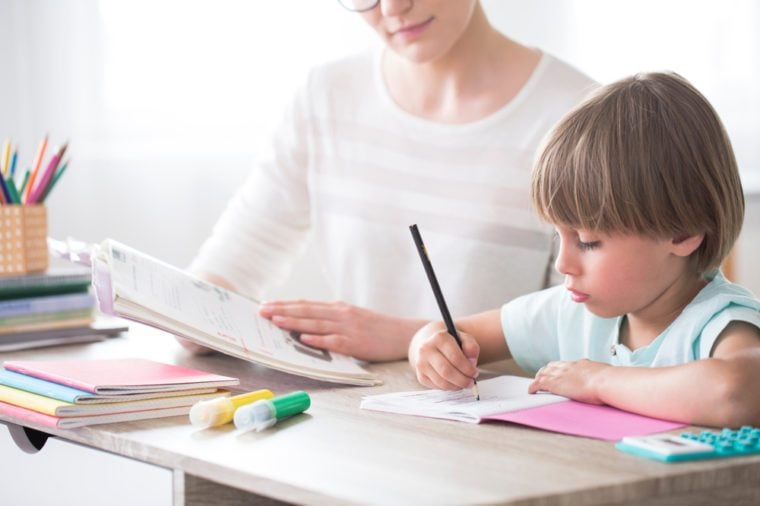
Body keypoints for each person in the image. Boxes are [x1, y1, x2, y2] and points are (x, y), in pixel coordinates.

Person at [180, 0, 597, 361]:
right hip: (362, 415)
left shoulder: (578, 118)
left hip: (500, 425)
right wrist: (185, 314)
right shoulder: (327, 95)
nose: (393, 9)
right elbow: (239, 257)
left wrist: (407, 337)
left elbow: (586, 326)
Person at [408, 72, 760, 427]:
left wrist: (597, 380)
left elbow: (736, 393)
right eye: (556, 236)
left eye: (588, 241)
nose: (563, 263)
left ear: (682, 232)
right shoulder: (571, 311)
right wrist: (432, 350)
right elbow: (449, 332)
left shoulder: (722, 324)